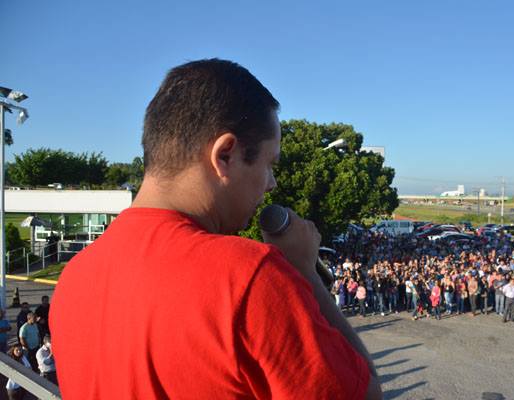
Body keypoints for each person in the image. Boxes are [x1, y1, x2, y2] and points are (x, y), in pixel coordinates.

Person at [51, 59, 381, 399]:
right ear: (225, 155)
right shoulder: (249, 277)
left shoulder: (74, 277)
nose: (271, 184)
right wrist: (305, 272)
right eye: (269, 164)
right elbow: (366, 393)